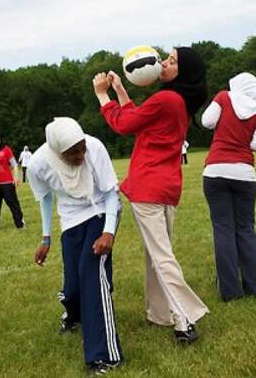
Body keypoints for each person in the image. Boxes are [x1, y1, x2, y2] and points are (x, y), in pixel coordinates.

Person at [93, 46, 209, 344]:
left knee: (161, 256)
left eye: (172, 61)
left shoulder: (166, 98)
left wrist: (102, 95)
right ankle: (160, 313)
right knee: (156, 255)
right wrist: (120, 89)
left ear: (184, 72)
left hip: (149, 188)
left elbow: (122, 124)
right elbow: (137, 119)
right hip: (167, 187)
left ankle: (184, 320)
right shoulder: (177, 101)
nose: (164, 63)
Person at [28, 118, 123, 375]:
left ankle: (103, 356)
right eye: (73, 153)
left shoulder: (95, 147)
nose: (81, 155)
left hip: (102, 211)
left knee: (92, 277)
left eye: (82, 148)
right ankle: (74, 316)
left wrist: (108, 232)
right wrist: (46, 237)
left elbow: (112, 192)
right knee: (72, 287)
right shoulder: (38, 164)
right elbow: (46, 197)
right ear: (58, 152)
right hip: (70, 219)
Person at [201, 72, 256, 302]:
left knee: (223, 230)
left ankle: (231, 291)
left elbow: (207, 121)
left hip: (216, 170)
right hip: (245, 174)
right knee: (245, 229)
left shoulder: (223, 97)